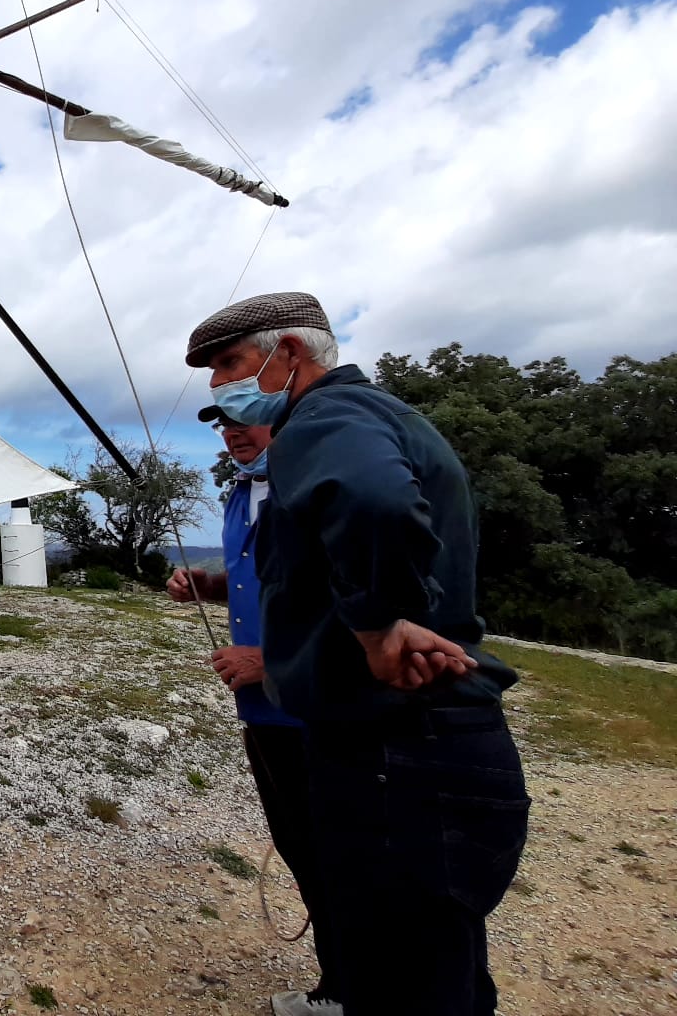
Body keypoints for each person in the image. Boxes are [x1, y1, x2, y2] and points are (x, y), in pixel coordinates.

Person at [182, 292, 528, 1016]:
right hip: (437, 744)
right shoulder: (383, 417)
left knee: (397, 982)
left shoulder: (322, 420)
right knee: (440, 974)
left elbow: (373, 501)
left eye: (231, 364)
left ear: (293, 354)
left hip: (392, 755)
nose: (220, 388)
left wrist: (378, 624)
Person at [167, 408, 341, 1016]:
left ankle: (355, 992)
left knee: (343, 857)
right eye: (222, 425)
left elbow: (365, 594)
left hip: (323, 712)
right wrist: (209, 585)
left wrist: (273, 660)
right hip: (266, 715)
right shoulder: (243, 489)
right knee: (301, 847)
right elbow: (269, 579)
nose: (234, 433)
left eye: (246, 419)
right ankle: (341, 983)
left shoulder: (319, 485)